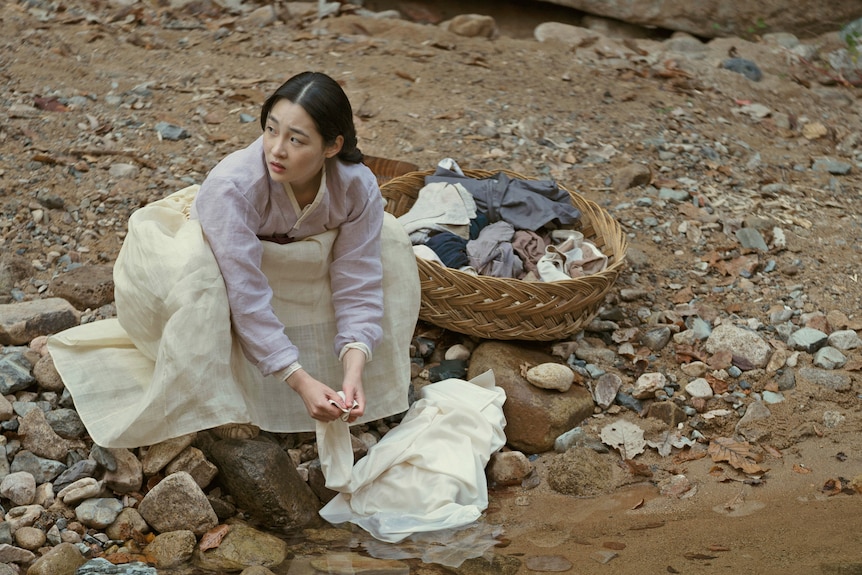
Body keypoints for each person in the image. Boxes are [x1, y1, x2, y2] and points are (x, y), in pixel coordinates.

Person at [47, 71, 420, 448]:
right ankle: (223, 397)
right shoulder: (234, 185)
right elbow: (246, 292)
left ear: (331, 146)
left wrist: (355, 364)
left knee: (390, 239)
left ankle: (345, 382)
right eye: (271, 130)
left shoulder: (356, 185)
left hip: (285, 256)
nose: (276, 149)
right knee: (204, 281)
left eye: (296, 139)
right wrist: (298, 378)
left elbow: (358, 276)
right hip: (213, 260)